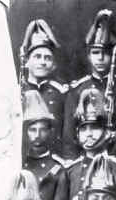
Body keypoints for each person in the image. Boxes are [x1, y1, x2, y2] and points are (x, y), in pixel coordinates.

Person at [63, 9, 116, 158]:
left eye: (105, 53)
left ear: (112, 56)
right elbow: (69, 138)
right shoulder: (77, 91)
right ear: (88, 56)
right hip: (86, 159)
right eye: (95, 53)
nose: (100, 58)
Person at [21, 89, 69, 200]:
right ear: (25, 132)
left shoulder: (57, 168)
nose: (37, 135)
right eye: (32, 130)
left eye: (42, 130)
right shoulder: (18, 165)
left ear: (50, 132)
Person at [19, 19, 68, 149]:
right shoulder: (17, 91)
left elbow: (67, 134)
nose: (42, 62)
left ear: (53, 65)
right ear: (26, 61)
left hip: (53, 155)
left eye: (47, 58)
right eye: (37, 57)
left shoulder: (62, 92)